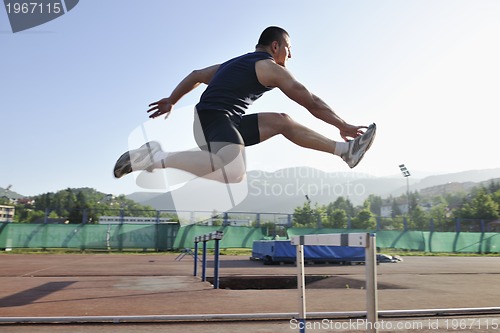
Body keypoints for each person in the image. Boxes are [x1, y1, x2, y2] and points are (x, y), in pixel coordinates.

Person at [114, 26, 376, 184]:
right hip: (214, 118)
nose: (291, 55)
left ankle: (345, 151)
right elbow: (310, 100)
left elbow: (196, 75)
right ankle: (155, 158)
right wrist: (342, 124)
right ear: (276, 46)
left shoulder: (232, 64)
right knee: (235, 171)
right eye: (289, 48)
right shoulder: (269, 67)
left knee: (282, 121)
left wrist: (172, 100)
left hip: (227, 121)